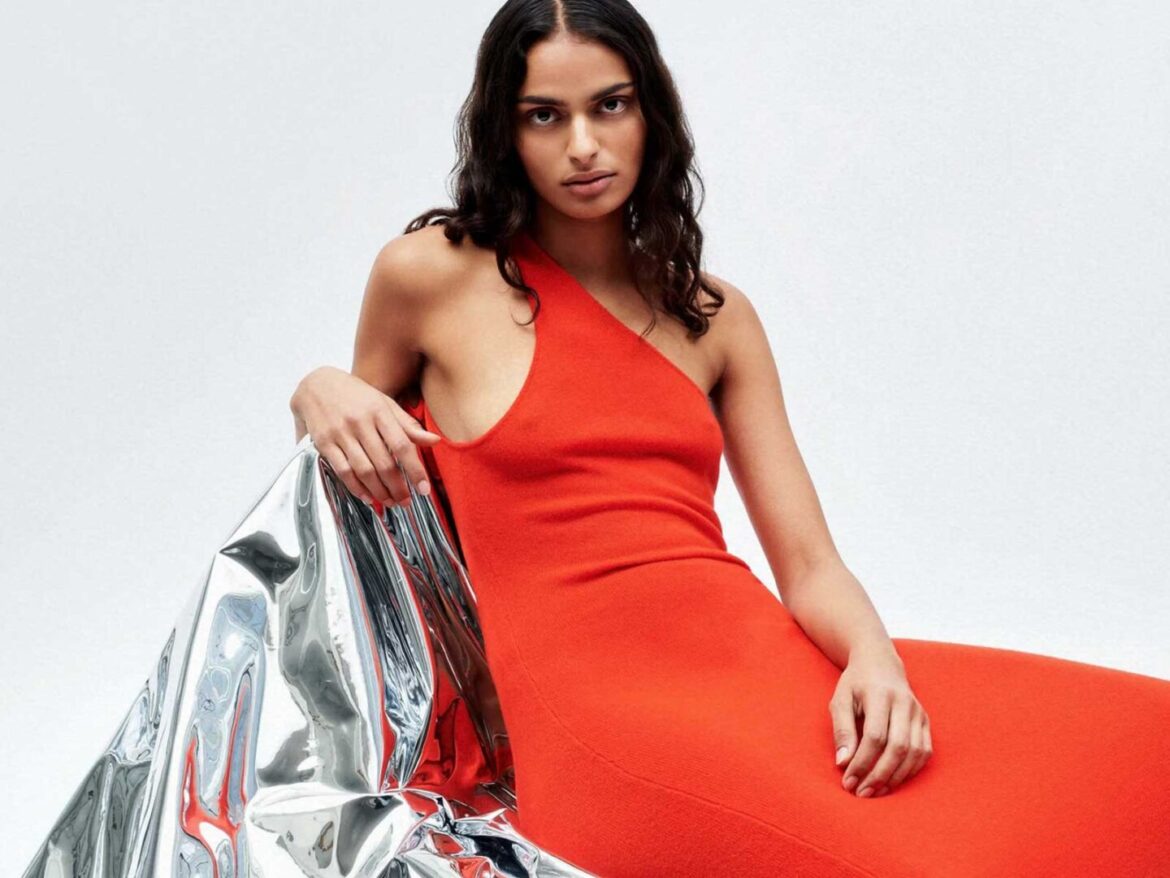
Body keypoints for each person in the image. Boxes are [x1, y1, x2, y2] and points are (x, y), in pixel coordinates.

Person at [288, 2, 1170, 875]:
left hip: (753, 659)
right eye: (544, 116)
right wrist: (315, 390)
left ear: (652, 113)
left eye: (610, 105)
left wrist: (875, 659)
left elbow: (810, 564)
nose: (583, 145)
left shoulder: (715, 317)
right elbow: (350, 484)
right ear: (503, 131)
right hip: (597, 718)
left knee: (1140, 748)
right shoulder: (430, 277)